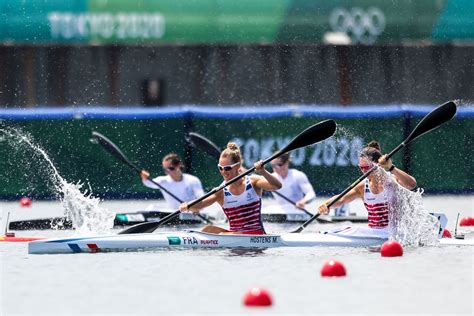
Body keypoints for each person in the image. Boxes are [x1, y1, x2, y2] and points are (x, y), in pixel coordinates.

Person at [317, 141, 417, 238]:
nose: (364, 171)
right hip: (374, 232)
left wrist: (391, 167)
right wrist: (327, 205)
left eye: (367, 167)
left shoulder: (392, 181)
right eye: (361, 168)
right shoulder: (362, 187)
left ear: (378, 165)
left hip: (396, 232)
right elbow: (341, 199)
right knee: (342, 229)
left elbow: (412, 184)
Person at [179, 142, 282, 234]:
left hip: (256, 234)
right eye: (220, 168)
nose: (223, 172)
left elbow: (277, 186)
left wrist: (263, 171)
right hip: (234, 235)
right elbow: (201, 204)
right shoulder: (220, 191)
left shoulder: (253, 182)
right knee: (208, 230)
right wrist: (188, 206)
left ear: (237, 166)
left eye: (227, 168)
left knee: (231, 234)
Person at [141, 153, 205, 211]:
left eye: (171, 168)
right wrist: (145, 177)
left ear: (179, 166)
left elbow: (201, 199)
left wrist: (193, 207)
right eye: (165, 169)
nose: (168, 172)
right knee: (151, 208)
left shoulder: (193, 180)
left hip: (192, 212)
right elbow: (148, 183)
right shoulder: (163, 181)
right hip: (174, 213)